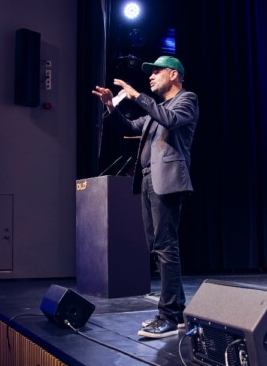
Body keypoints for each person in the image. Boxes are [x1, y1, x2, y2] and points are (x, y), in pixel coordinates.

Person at [92, 55, 199, 338]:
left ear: (174, 75)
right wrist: (109, 107)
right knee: (157, 247)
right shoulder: (157, 108)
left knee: (166, 247)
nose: (150, 77)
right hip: (149, 179)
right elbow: (130, 129)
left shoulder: (186, 100)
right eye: (149, 74)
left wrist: (136, 94)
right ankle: (174, 313)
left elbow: (170, 120)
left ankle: (170, 314)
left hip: (168, 180)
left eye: (156, 72)